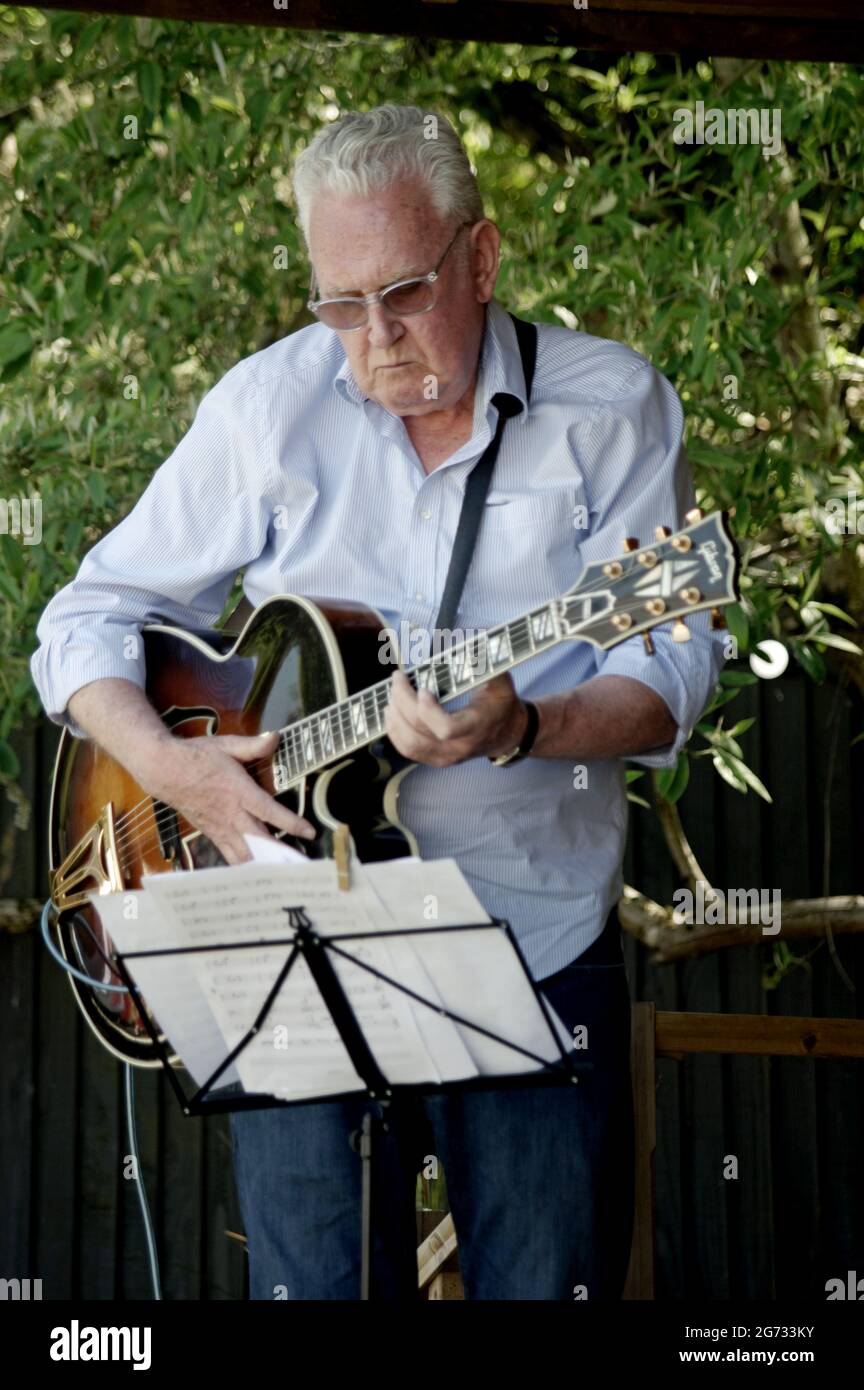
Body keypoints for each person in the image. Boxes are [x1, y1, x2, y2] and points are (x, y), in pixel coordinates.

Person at [32, 102, 725, 1301]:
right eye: (336, 303)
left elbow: (668, 682)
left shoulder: (611, 409)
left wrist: (526, 726)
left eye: (402, 293)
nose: (372, 336)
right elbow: (82, 619)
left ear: (482, 257)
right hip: (289, 952)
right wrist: (173, 766)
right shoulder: (270, 407)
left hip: (535, 949)